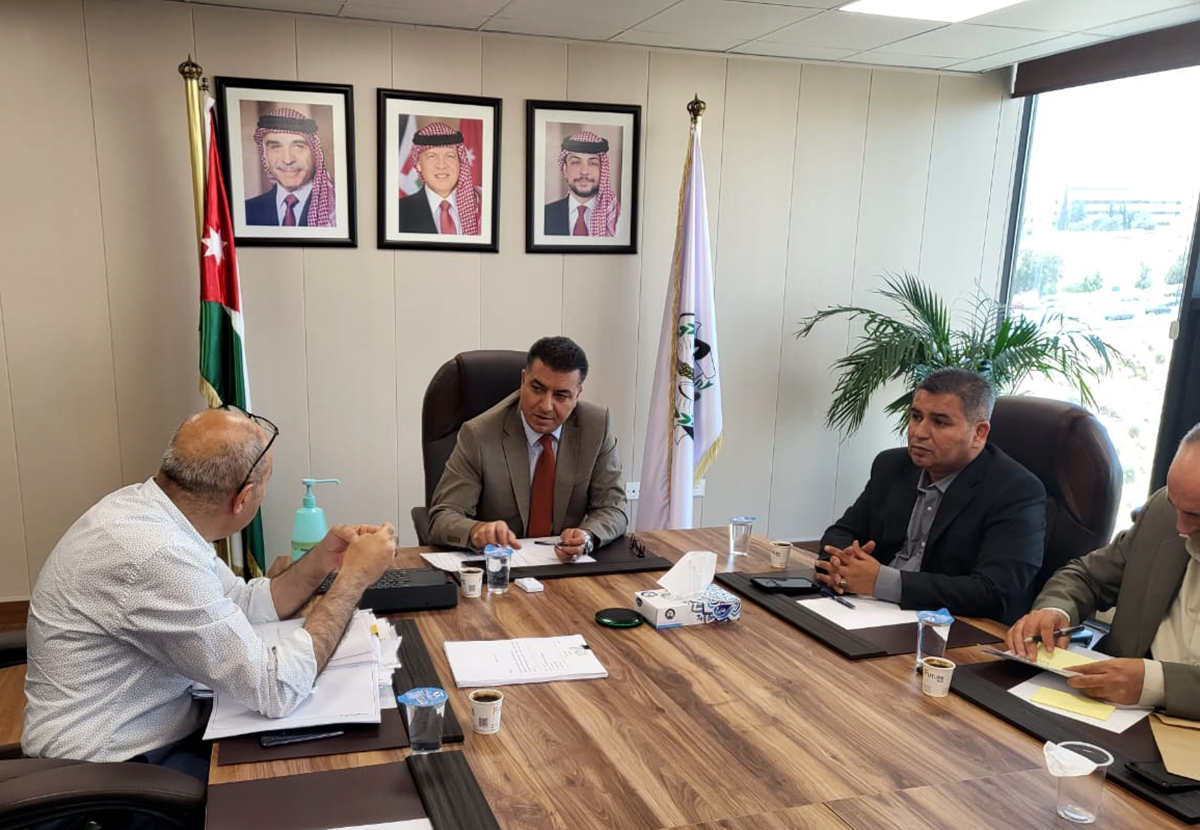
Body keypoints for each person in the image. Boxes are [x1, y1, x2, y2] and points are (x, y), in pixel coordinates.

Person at [22, 406, 397, 779]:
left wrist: (322, 560)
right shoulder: (157, 554)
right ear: (243, 498)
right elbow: (276, 689)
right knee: (315, 776)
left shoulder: (155, 512)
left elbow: (244, 602)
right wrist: (353, 580)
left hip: (149, 735)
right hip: (109, 774)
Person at [815, 368, 1046, 623]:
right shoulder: (891, 466)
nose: (919, 432)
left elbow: (994, 593)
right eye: (916, 417)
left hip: (948, 627)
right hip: (867, 608)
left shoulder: (1016, 490)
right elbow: (840, 532)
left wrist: (882, 581)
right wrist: (844, 565)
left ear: (979, 433)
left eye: (940, 422)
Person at [1007, 424, 1200, 719]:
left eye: (1196, 515)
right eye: (1176, 506)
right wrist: (1055, 610)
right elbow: (1086, 576)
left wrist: (1157, 683)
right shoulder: (1161, 514)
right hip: (1117, 716)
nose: (1181, 528)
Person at [428, 336, 627, 561]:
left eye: (561, 395)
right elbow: (442, 517)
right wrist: (475, 531)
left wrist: (587, 536)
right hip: (500, 567)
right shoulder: (479, 434)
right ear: (523, 380)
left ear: (577, 395)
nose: (546, 406)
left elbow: (613, 508)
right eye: (538, 388)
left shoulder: (596, 427)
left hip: (566, 565)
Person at [244, 107, 336, 227]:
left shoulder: (337, 209)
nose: (287, 160)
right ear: (265, 155)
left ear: (315, 153)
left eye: (298, 146)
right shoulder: (247, 211)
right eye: (275, 147)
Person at [397, 122, 482, 235]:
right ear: (419, 164)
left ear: (460, 161)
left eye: (450, 156)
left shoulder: (482, 205)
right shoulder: (398, 212)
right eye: (431, 156)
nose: (441, 165)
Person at [544, 131, 620, 237]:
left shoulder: (617, 218)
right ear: (565, 170)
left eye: (593, 163)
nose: (584, 171)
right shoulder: (543, 215)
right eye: (576, 162)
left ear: (603, 170)